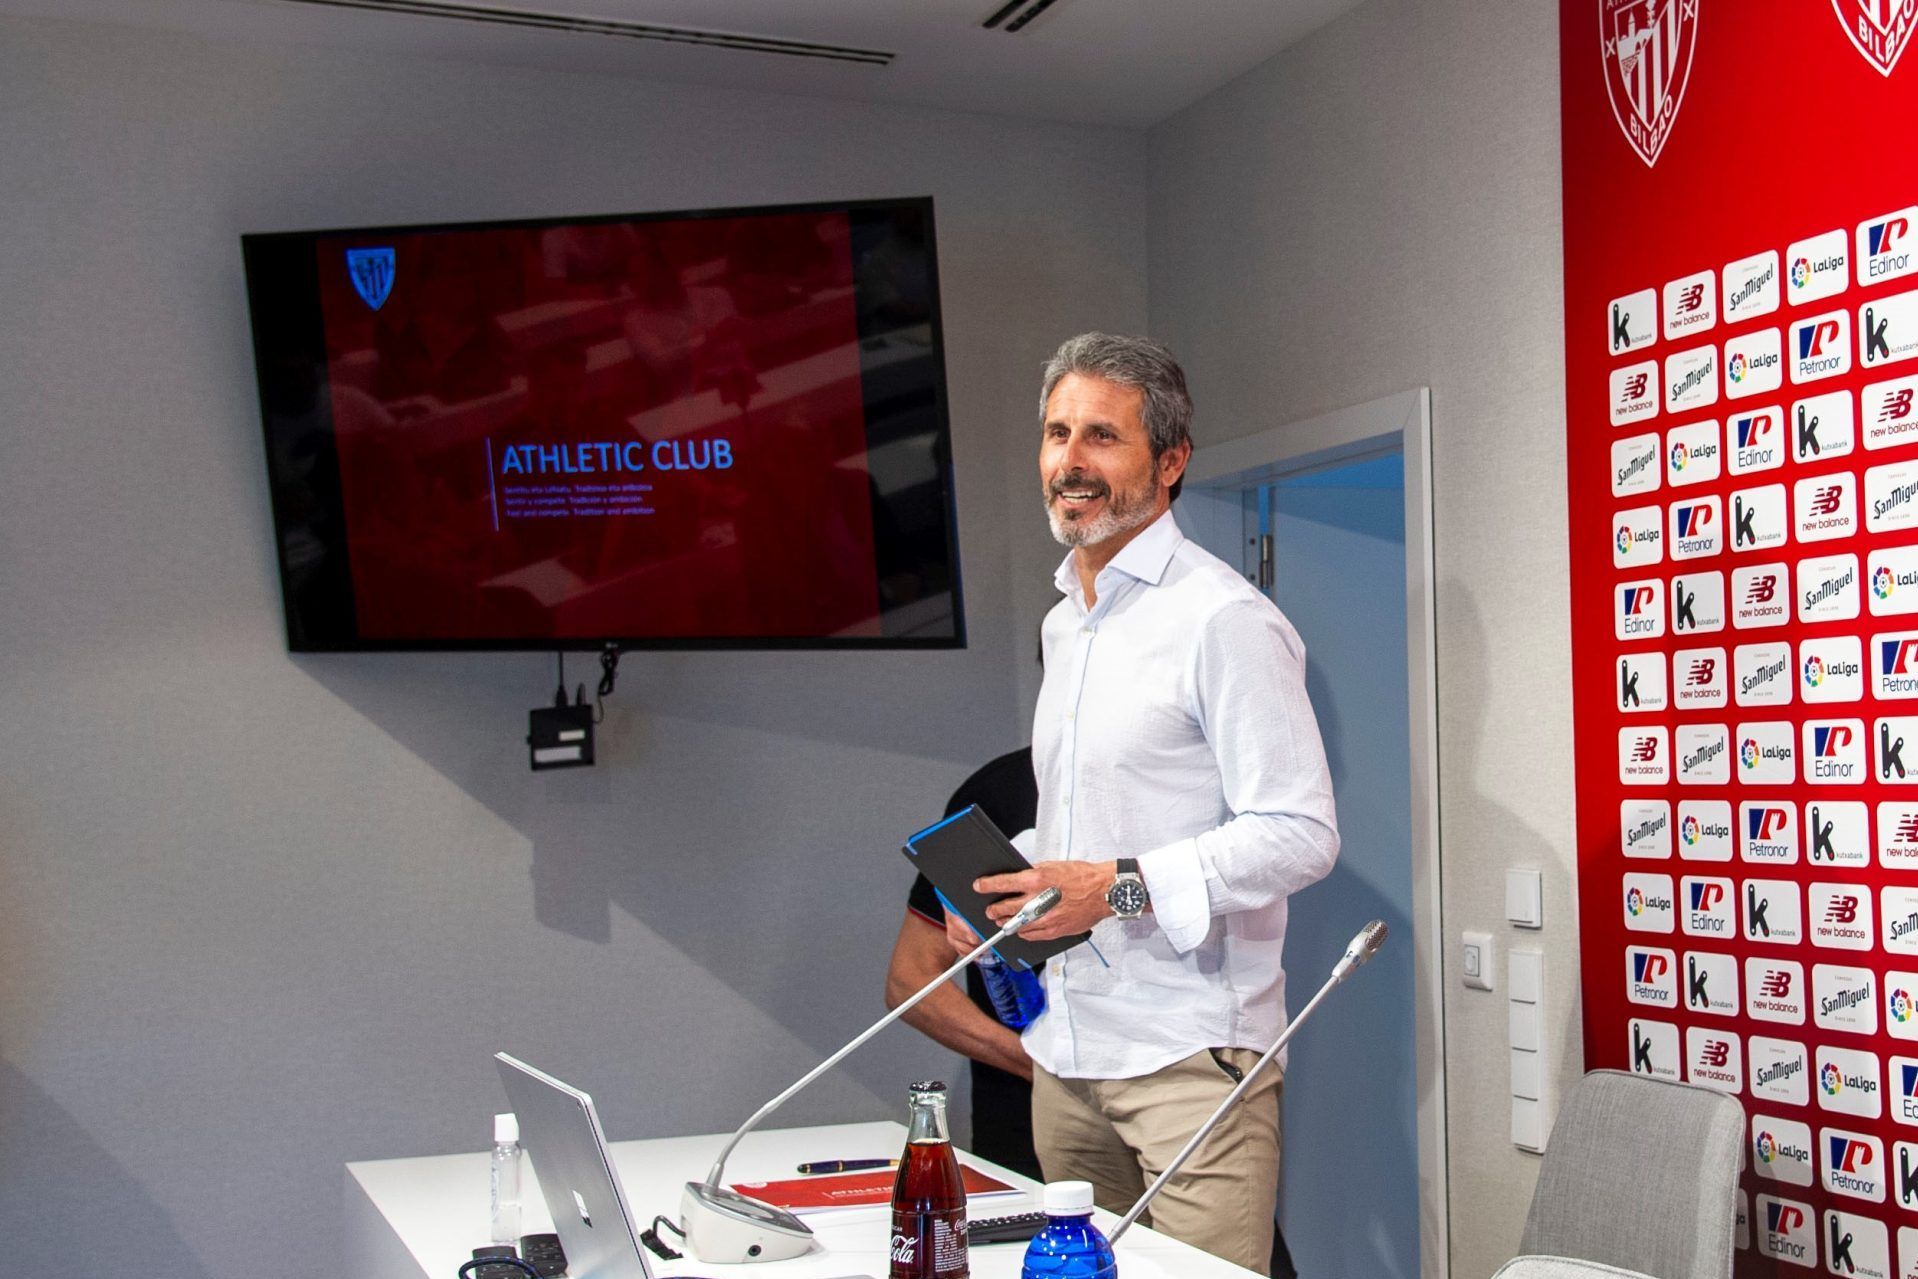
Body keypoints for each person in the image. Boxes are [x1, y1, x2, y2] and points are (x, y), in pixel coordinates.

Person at [953, 332, 1339, 1275]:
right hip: (1067, 1050)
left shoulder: (1225, 620)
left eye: (1101, 438)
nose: (1069, 462)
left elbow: (1301, 835)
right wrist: (1016, 895)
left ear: (1170, 463)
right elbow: (1099, 821)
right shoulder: (1065, 621)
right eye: (1055, 434)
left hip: (1188, 1059)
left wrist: (1116, 890)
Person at [882, 748, 1044, 1180]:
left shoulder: (1187, 780)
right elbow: (909, 981)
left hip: (1176, 1104)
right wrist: (1038, 1065)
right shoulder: (1003, 791)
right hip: (1024, 1123)